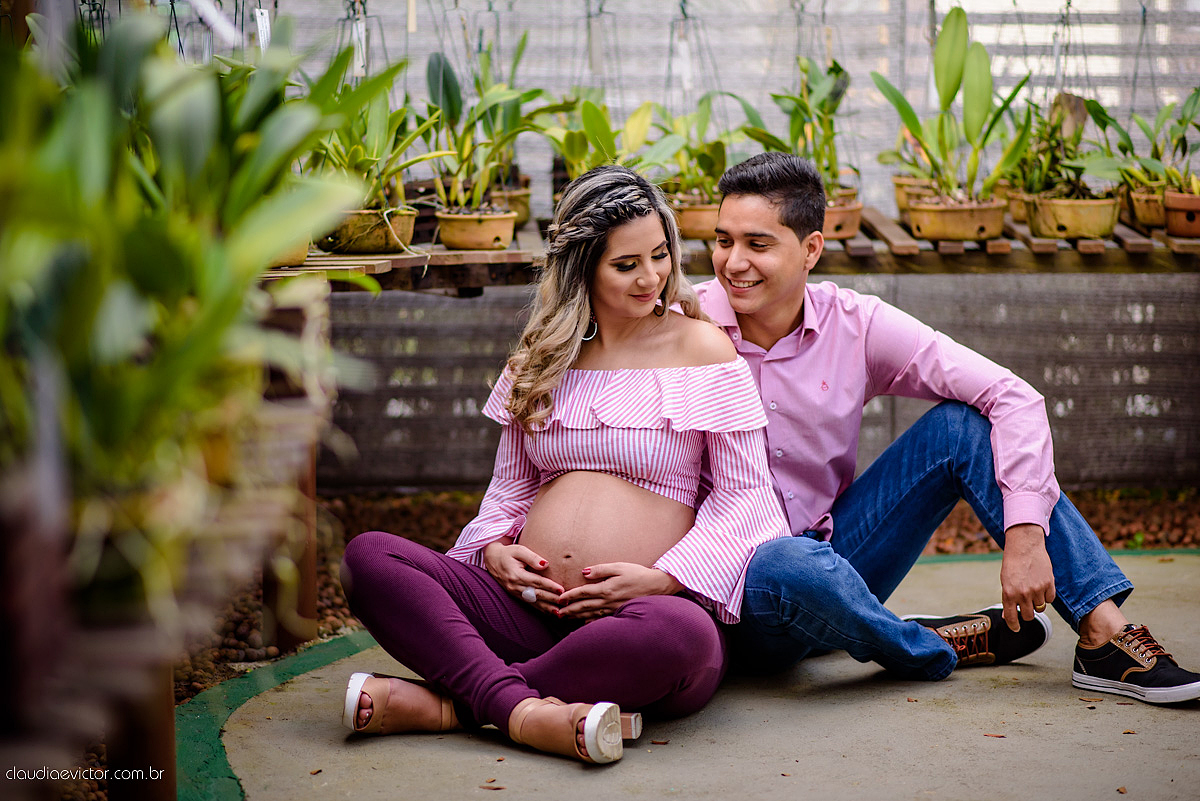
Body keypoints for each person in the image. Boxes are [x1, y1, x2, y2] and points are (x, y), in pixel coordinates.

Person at [696, 151, 1200, 704]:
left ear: (811, 249)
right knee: (784, 562)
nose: (732, 263)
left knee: (961, 428)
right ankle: (928, 642)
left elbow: (1014, 397)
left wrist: (1026, 534)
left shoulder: (855, 325)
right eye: (723, 240)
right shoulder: (681, 328)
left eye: (757, 244)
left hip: (834, 554)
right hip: (730, 593)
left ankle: (1104, 636)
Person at [338, 165, 789, 765]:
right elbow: (510, 488)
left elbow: (745, 497)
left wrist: (667, 578)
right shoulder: (543, 357)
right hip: (528, 614)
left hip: (638, 617)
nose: (651, 278)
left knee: (679, 638)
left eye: (659, 255)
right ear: (582, 268)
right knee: (370, 558)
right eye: (626, 265)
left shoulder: (701, 349)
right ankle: (521, 711)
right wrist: (494, 550)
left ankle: (459, 702)